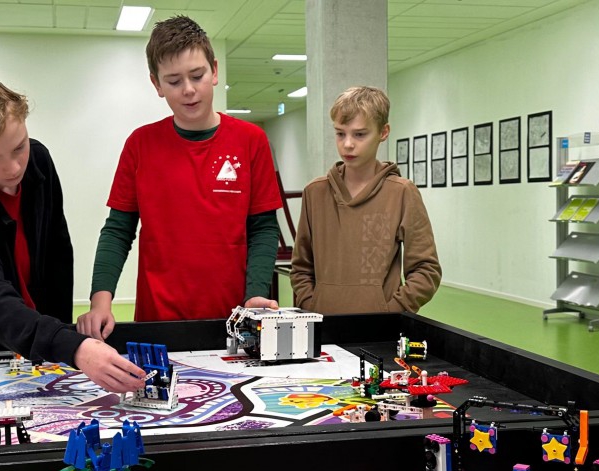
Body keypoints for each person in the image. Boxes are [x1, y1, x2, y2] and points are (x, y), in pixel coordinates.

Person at [0, 73, 144, 393]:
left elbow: (57, 253)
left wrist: (59, 339)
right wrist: (72, 347)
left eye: (19, 147)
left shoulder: (38, 159)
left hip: (38, 337)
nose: (13, 168)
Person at [78, 15, 282, 341]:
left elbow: (263, 228)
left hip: (231, 320)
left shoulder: (251, 141)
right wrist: (100, 301)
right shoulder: (140, 145)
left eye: (197, 76)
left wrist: (255, 294)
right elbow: (117, 230)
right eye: (173, 81)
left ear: (214, 71)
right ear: (156, 85)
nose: (188, 90)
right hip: (157, 322)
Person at [290, 86, 442, 314]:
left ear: (383, 132)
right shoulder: (315, 192)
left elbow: (426, 270)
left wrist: (391, 311)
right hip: (323, 326)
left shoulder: (402, 193)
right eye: (340, 133)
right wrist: (312, 305)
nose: (347, 144)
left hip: (380, 328)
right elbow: (301, 268)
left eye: (359, 134)